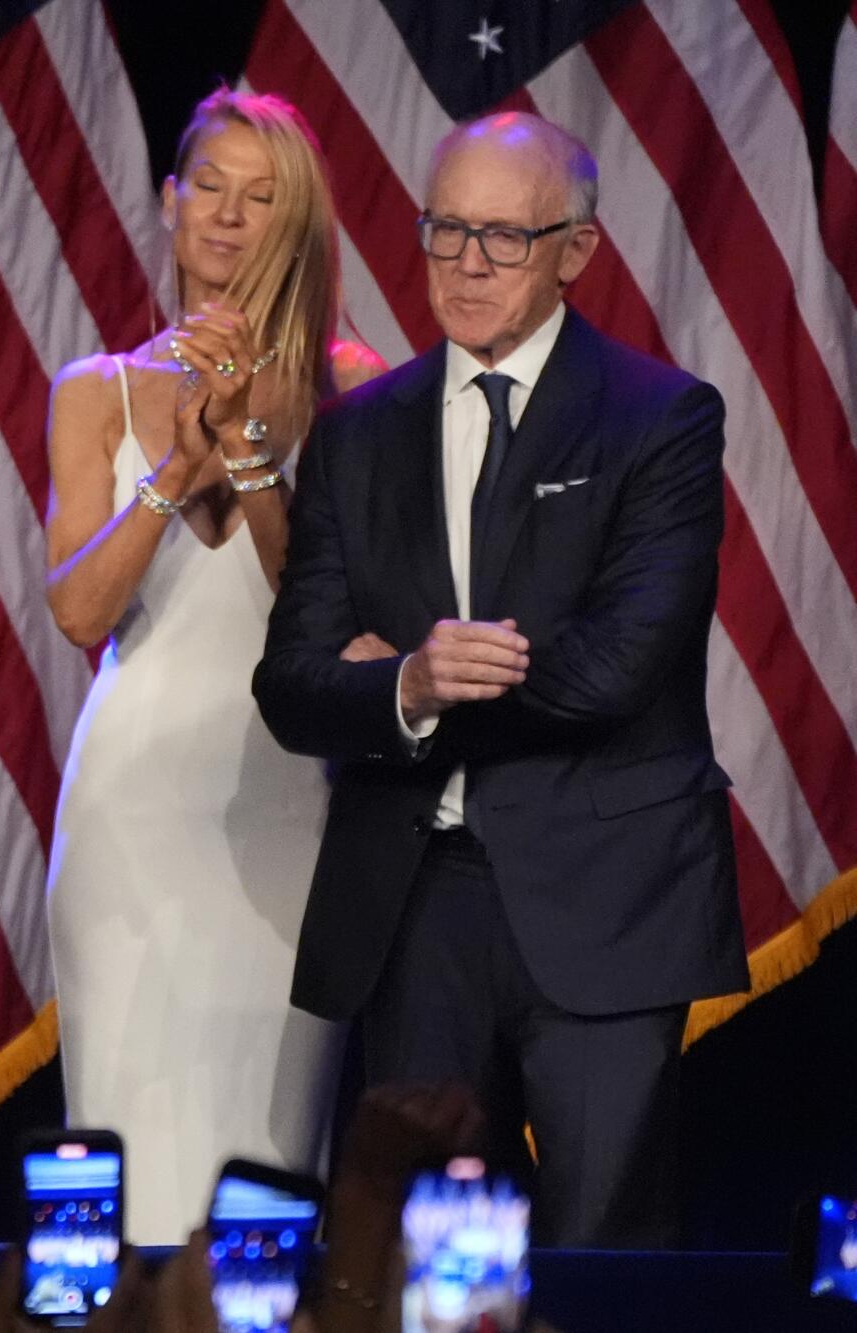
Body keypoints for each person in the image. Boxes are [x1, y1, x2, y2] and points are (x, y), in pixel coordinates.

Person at [253, 111, 749, 1248]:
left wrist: (421, 691)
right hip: (417, 903)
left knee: (598, 1250)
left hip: (606, 896)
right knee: (420, 1258)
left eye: (502, 238)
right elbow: (290, 684)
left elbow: (618, 668)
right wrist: (404, 687)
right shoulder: (356, 435)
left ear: (573, 248)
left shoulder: (658, 419)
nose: (466, 265)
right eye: (443, 232)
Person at [43, 86, 385, 1245]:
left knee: (266, 1158)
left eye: (261, 198)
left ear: (295, 222)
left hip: (283, 806)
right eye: (211, 190)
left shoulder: (349, 381)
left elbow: (321, 613)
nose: (229, 221)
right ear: (168, 200)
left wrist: (241, 444)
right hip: (129, 814)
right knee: (125, 1143)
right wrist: (169, 463)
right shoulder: (92, 391)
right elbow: (80, 608)